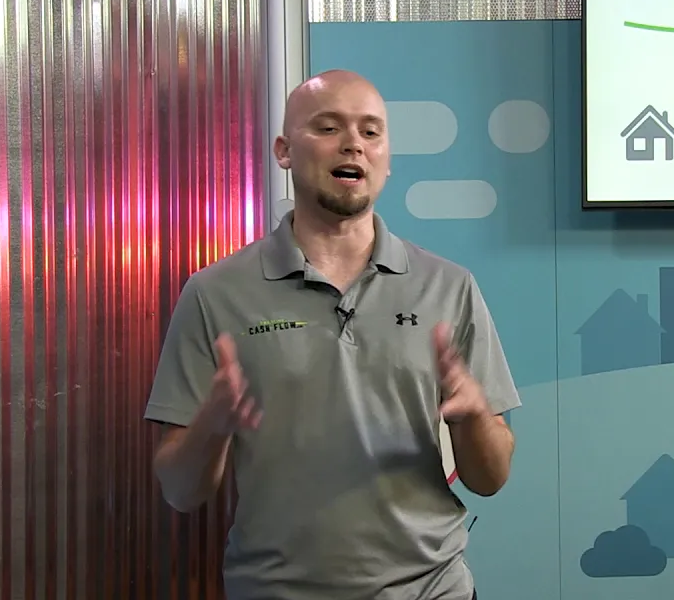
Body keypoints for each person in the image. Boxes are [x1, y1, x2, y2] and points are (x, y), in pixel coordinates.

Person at [143, 69, 521, 600]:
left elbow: (491, 478)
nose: (353, 144)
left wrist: (475, 416)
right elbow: (180, 492)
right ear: (284, 150)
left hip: (431, 590)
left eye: (371, 131)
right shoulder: (215, 293)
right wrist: (211, 424)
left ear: (387, 159)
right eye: (328, 127)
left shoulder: (449, 287)